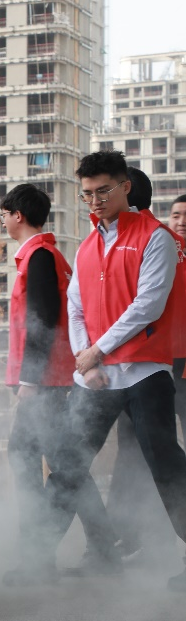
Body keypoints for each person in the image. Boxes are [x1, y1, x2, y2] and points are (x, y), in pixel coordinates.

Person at [58, 149, 186, 589]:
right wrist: (85, 361)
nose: (93, 200)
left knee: (166, 465)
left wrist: (98, 351)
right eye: (87, 193)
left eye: (102, 191)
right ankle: (37, 555)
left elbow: (146, 307)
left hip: (146, 374)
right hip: (95, 378)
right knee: (66, 463)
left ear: (125, 187)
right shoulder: (88, 243)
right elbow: (75, 306)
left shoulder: (157, 238)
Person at [104, 169, 186, 564]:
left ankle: (154, 539)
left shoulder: (157, 244)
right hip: (145, 363)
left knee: (162, 456)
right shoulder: (149, 244)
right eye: (177, 215)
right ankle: (139, 537)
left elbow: (146, 306)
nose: (181, 222)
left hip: (166, 364)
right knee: (138, 453)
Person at [0, 184, 75, 586]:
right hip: (51, 381)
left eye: (4, 214)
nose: (3, 221)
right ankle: (45, 555)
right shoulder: (46, 256)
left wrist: (29, 379)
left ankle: (37, 556)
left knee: (33, 461)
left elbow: (44, 321)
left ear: (18, 215)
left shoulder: (40, 257)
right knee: (64, 467)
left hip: (45, 383)